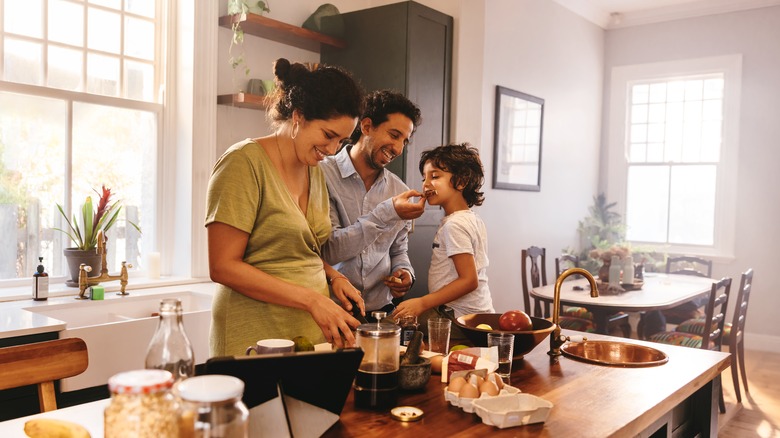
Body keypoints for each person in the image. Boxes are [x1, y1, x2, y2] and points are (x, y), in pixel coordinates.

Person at [205, 58, 365, 357]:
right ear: (298, 116)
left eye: (342, 141)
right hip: (253, 335)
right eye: (328, 135)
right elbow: (222, 266)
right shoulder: (242, 162)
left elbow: (295, 250)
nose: (332, 151)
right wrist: (312, 300)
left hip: (309, 336)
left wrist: (333, 276)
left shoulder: (314, 169)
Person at [321, 90, 425, 321]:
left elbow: (398, 250)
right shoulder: (321, 174)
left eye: (404, 141)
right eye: (394, 135)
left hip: (381, 312)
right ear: (366, 126)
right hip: (332, 312)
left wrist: (405, 273)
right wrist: (387, 213)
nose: (398, 149)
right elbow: (330, 250)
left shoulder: (399, 190)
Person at [392, 143, 494, 337]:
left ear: (461, 181)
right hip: (471, 315)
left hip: (456, 318)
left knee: (393, 327)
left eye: (435, 176)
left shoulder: (454, 225)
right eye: (424, 178)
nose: (426, 184)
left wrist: (422, 303)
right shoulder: (470, 218)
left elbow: (469, 280)